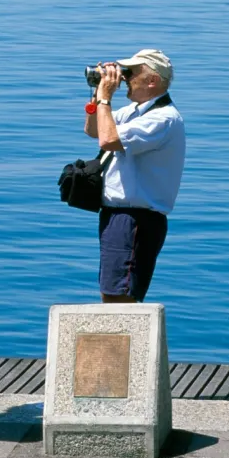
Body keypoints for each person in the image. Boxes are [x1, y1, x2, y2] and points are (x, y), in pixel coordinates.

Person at [83, 48, 185, 303]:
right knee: (113, 293)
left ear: (152, 81)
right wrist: (97, 93)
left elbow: (107, 140)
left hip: (136, 219)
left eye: (131, 73)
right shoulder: (135, 112)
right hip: (119, 216)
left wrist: (106, 98)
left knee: (119, 297)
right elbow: (94, 130)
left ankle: (123, 343)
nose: (124, 78)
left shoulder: (164, 119)